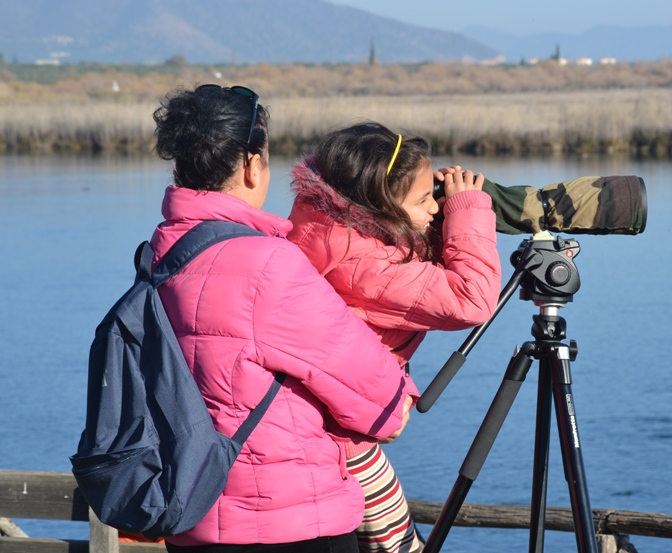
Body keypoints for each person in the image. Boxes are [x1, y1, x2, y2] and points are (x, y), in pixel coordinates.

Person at [150, 86, 411, 553]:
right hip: (288, 521)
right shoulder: (270, 263)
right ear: (251, 165)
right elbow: (383, 406)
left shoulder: (159, 255)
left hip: (189, 515)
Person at [287, 122, 502, 553]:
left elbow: (407, 258)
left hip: (321, 423)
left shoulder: (327, 227)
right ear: (380, 206)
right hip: (339, 439)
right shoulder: (365, 264)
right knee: (398, 547)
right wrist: (469, 209)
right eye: (423, 201)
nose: (433, 210)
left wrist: (440, 216)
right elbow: (472, 299)